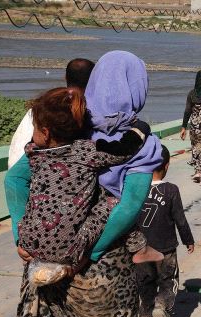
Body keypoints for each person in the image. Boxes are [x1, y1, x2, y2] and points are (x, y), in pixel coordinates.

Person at [5, 50, 164, 317]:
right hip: (101, 275)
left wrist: (21, 235)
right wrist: (87, 254)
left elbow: (15, 180)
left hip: (45, 265)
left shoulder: (70, 124)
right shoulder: (144, 146)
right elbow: (127, 207)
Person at [18, 87, 164, 286]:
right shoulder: (86, 151)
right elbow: (124, 150)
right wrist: (141, 127)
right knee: (112, 200)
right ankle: (138, 246)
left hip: (28, 242)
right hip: (68, 250)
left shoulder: (33, 153)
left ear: (45, 132)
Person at [136, 145, 195, 317]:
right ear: (167, 166)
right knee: (168, 281)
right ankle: (161, 307)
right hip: (165, 248)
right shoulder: (171, 190)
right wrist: (188, 240)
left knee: (145, 286)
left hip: (141, 249)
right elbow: (180, 218)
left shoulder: (136, 188)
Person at [8, 58, 95, 168]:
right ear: (94, 80)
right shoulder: (90, 111)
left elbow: (17, 155)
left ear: (65, 77)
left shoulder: (43, 107)